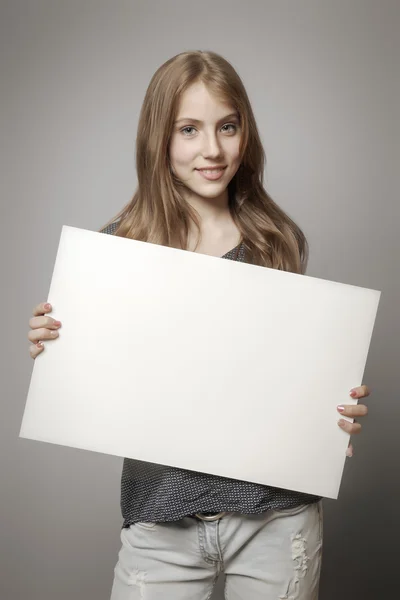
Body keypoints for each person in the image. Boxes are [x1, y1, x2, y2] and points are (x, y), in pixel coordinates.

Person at [27, 50, 370, 599]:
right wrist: (56, 348)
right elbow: (98, 380)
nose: (212, 149)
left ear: (245, 134)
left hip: (275, 519)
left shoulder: (276, 242)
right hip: (160, 519)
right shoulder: (120, 248)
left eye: (227, 127)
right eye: (189, 130)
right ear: (158, 139)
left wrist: (332, 414)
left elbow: (286, 378)